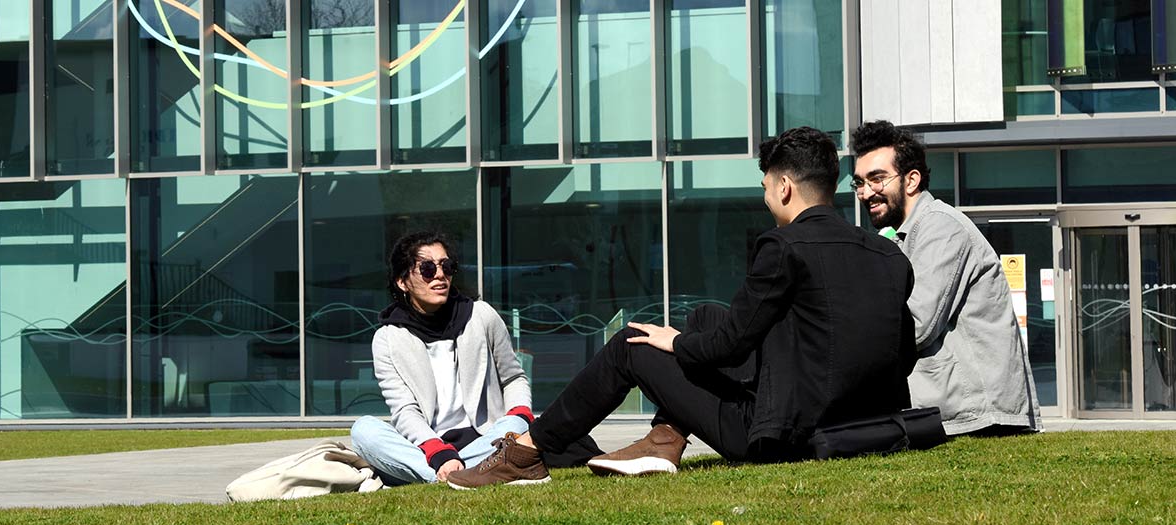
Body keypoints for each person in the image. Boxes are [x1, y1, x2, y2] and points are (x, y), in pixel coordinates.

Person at [445, 127, 918, 489]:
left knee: (632, 344)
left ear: (784, 187)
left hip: (788, 436)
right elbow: (903, 352)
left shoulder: (783, 247)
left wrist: (679, 343)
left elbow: (732, 347)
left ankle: (527, 452)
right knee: (708, 317)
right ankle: (663, 441)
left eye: (766, 184)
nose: (766, 194)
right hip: (867, 427)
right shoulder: (888, 254)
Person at [849, 120, 1041, 436]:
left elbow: (914, 326)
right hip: (957, 414)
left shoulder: (940, 226)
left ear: (911, 180)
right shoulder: (904, 236)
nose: (866, 192)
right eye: (859, 183)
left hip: (980, 420)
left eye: (877, 179)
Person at [348, 231, 536, 486]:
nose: (439, 274)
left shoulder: (481, 316)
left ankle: (450, 474)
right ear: (402, 282)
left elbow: (513, 377)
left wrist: (519, 412)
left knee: (517, 422)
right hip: (427, 447)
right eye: (427, 268)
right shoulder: (388, 338)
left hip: (486, 437)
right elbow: (404, 410)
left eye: (446, 266)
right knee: (363, 430)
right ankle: (466, 473)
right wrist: (438, 453)